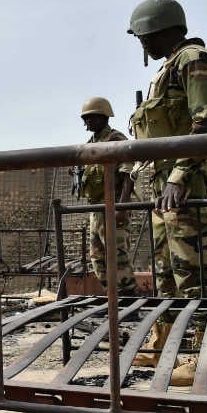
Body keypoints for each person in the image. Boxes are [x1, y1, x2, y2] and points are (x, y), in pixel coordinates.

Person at [126, 0, 207, 384]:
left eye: (144, 37)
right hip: (164, 190)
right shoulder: (169, 69)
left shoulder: (193, 60)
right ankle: (166, 348)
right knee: (166, 276)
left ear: (159, 30)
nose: (143, 45)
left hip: (183, 188)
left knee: (195, 276)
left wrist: (178, 177)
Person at [77, 97, 139, 296]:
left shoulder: (115, 139)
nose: (88, 123)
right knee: (97, 256)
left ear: (104, 116)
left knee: (117, 254)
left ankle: (128, 298)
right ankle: (112, 299)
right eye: (85, 119)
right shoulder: (90, 144)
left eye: (91, 118)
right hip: (96, 208)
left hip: (113, 204)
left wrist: (122, 206)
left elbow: (128, 173)